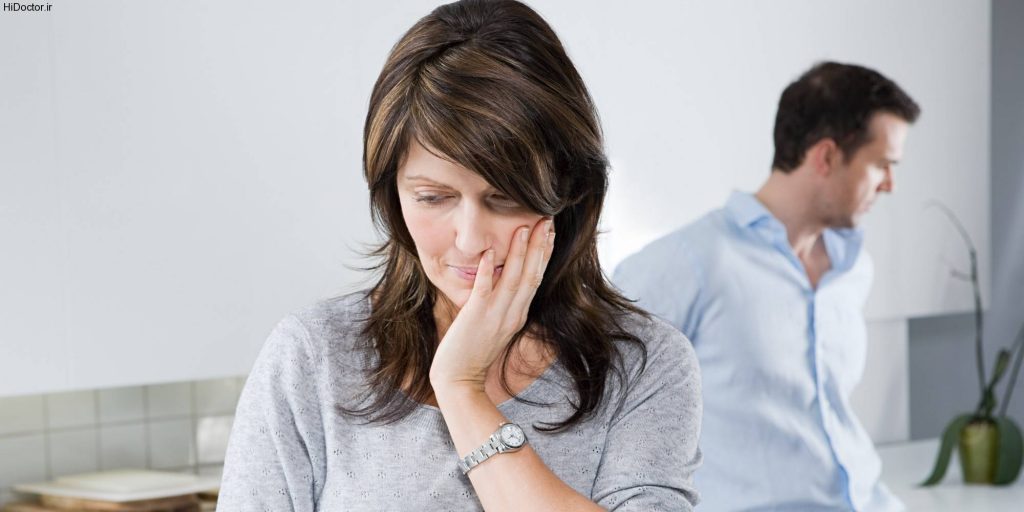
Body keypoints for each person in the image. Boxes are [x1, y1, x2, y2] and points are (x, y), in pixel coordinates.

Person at [217, 1, 701, 510]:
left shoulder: (643, 366)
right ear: (393, 195)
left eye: (504, 198)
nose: (469, 241)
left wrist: (462, 389)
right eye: (433, 198)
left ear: (569, 192)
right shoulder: (313, 356)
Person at [613, 62, 920, 511]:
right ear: (827, 157)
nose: (890, 185)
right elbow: (603, 401)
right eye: (882, 165)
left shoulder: (852, 268)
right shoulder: (689, 262)